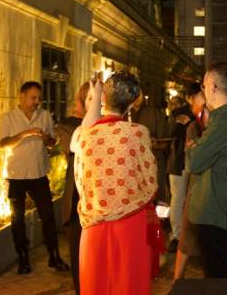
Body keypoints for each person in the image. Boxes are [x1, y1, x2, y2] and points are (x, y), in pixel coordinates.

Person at [72, 71, 158, 295]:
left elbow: (85, 129)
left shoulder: (83, 135)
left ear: (102, 99)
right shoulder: (138, 133)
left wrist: (96, 94)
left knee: (96, 283)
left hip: (93, 223)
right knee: (128, 283)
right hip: (130, 221)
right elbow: (149, 179)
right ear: (131, 104)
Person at [0, 81, 69, 275]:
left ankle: (54, 257)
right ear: (22, 95)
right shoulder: (9, 118)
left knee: (47, 216)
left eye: (38, 98)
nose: (36, 102)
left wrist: (47, 138)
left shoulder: (44, 115)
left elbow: (53, 142)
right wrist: (26, 133)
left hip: (39, 173)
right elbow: (2, 143)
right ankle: (23, 259)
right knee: (17, 219)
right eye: (32, 97)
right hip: (16, 175)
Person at [186, 62, 227, 278]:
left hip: (218, 206)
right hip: (218, 203)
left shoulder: (226, 119)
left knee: (218, 278)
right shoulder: (225, 117)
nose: (203, 91)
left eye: (204, 85)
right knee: (217, 272)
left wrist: (195, 147)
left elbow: (196, 162)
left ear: (212, 86)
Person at [54, 82, 91, 294]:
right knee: (80, 264)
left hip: (101, 206)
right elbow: (75, 147)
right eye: (92, 100)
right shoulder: (69, 125)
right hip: (77, 203)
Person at [173, 84, 207, 281]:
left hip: (212, 187)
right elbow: (192, 160)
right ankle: (177, 280)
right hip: (196, 187)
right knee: (187, 235)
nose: (202, 110)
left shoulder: (216, 127)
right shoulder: (193, 126)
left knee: (212, 237)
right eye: (199, 105)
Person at [166, 91, 195, 252]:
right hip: (180, 162)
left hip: (183, 162)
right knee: (180, 199)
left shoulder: (184, 115)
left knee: (179, 199)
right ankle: (178, 235)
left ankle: (179, 235)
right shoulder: (186, 115)